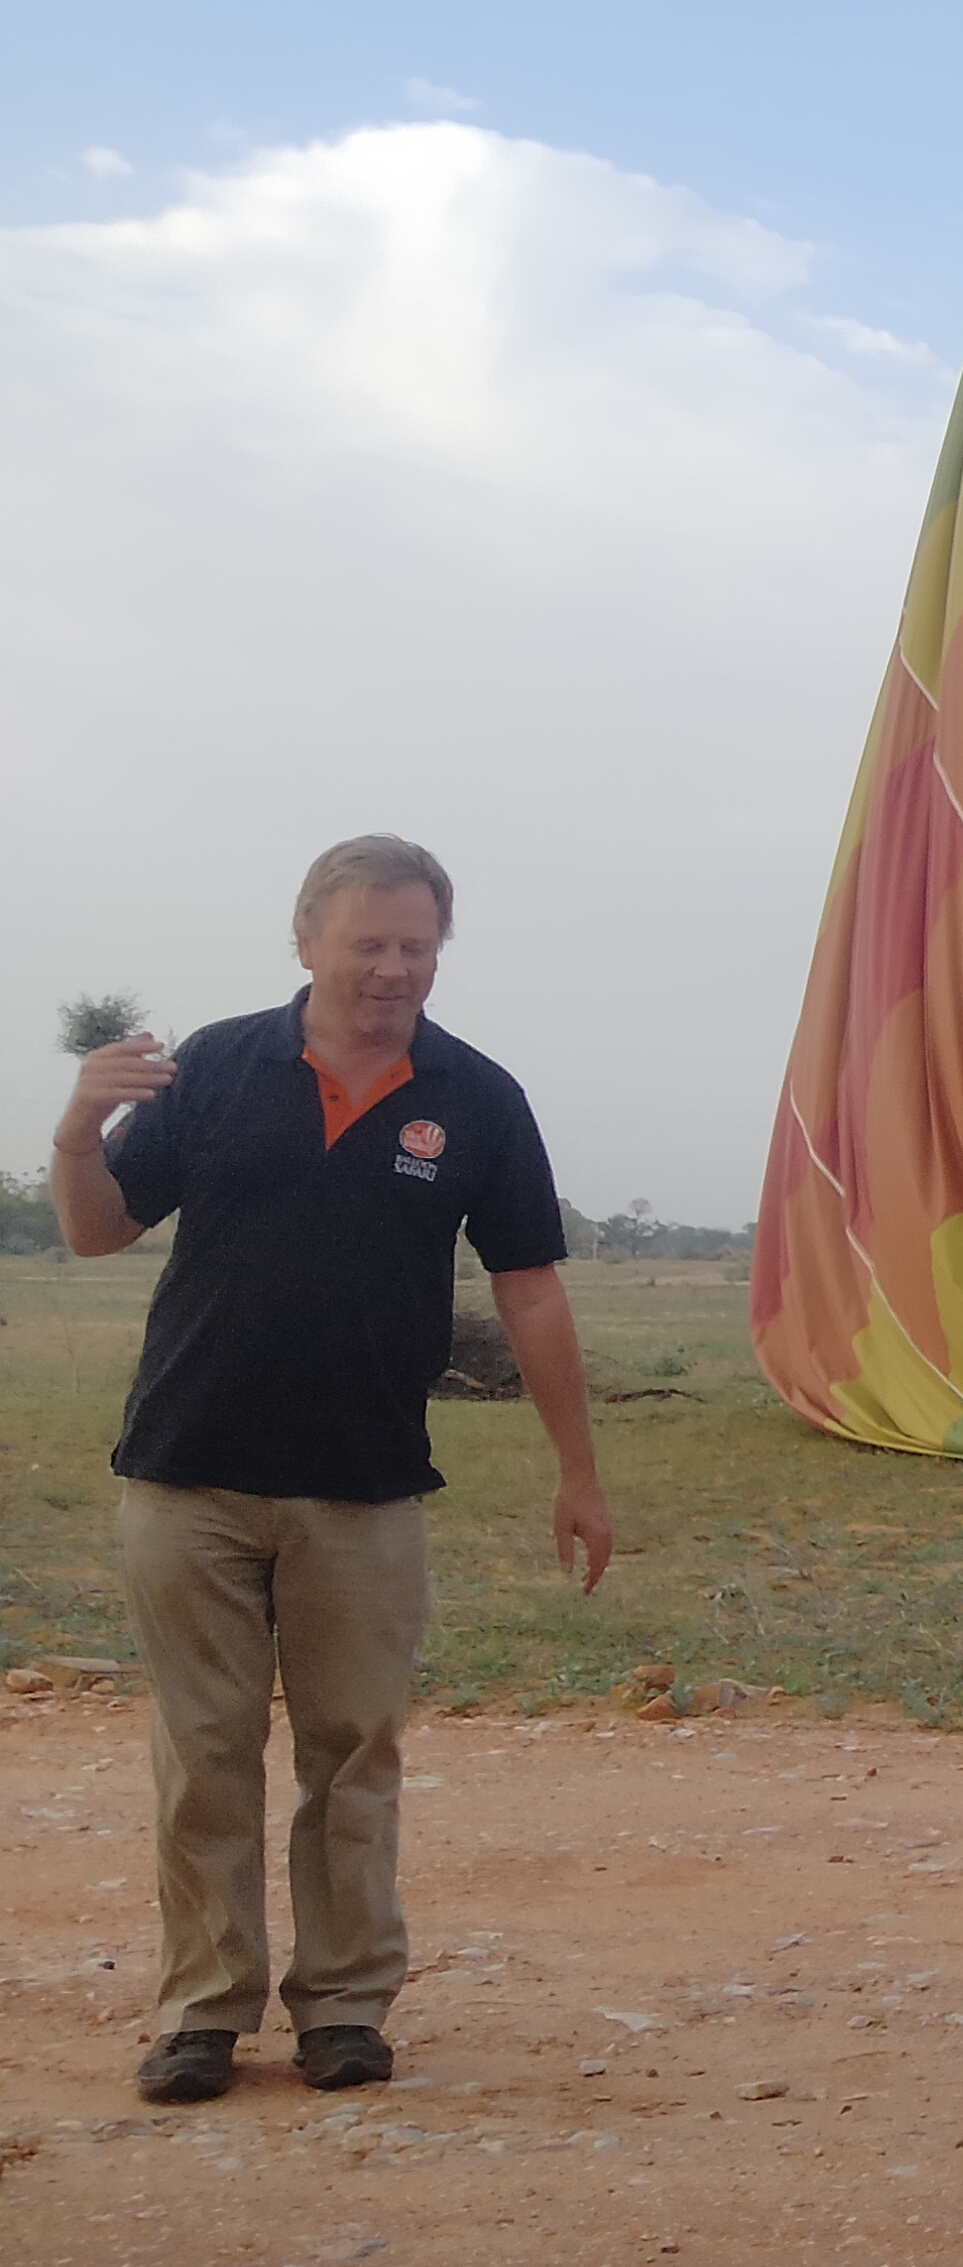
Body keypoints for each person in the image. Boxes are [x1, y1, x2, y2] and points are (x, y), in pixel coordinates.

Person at [55, 837, 606, 2107]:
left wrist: (578, 1471)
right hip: (188, 1472)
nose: (393, 970)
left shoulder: (474, 1096)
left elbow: (527, 1289)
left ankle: (346, 2007)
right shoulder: (215, 1068)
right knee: (203, 1752)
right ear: (306, 940)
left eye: (417, 947)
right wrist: (80, 1129)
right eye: (368, 943)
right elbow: (94, 1232)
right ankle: (201, 2012)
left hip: (365, 1488)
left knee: (354, 1755)